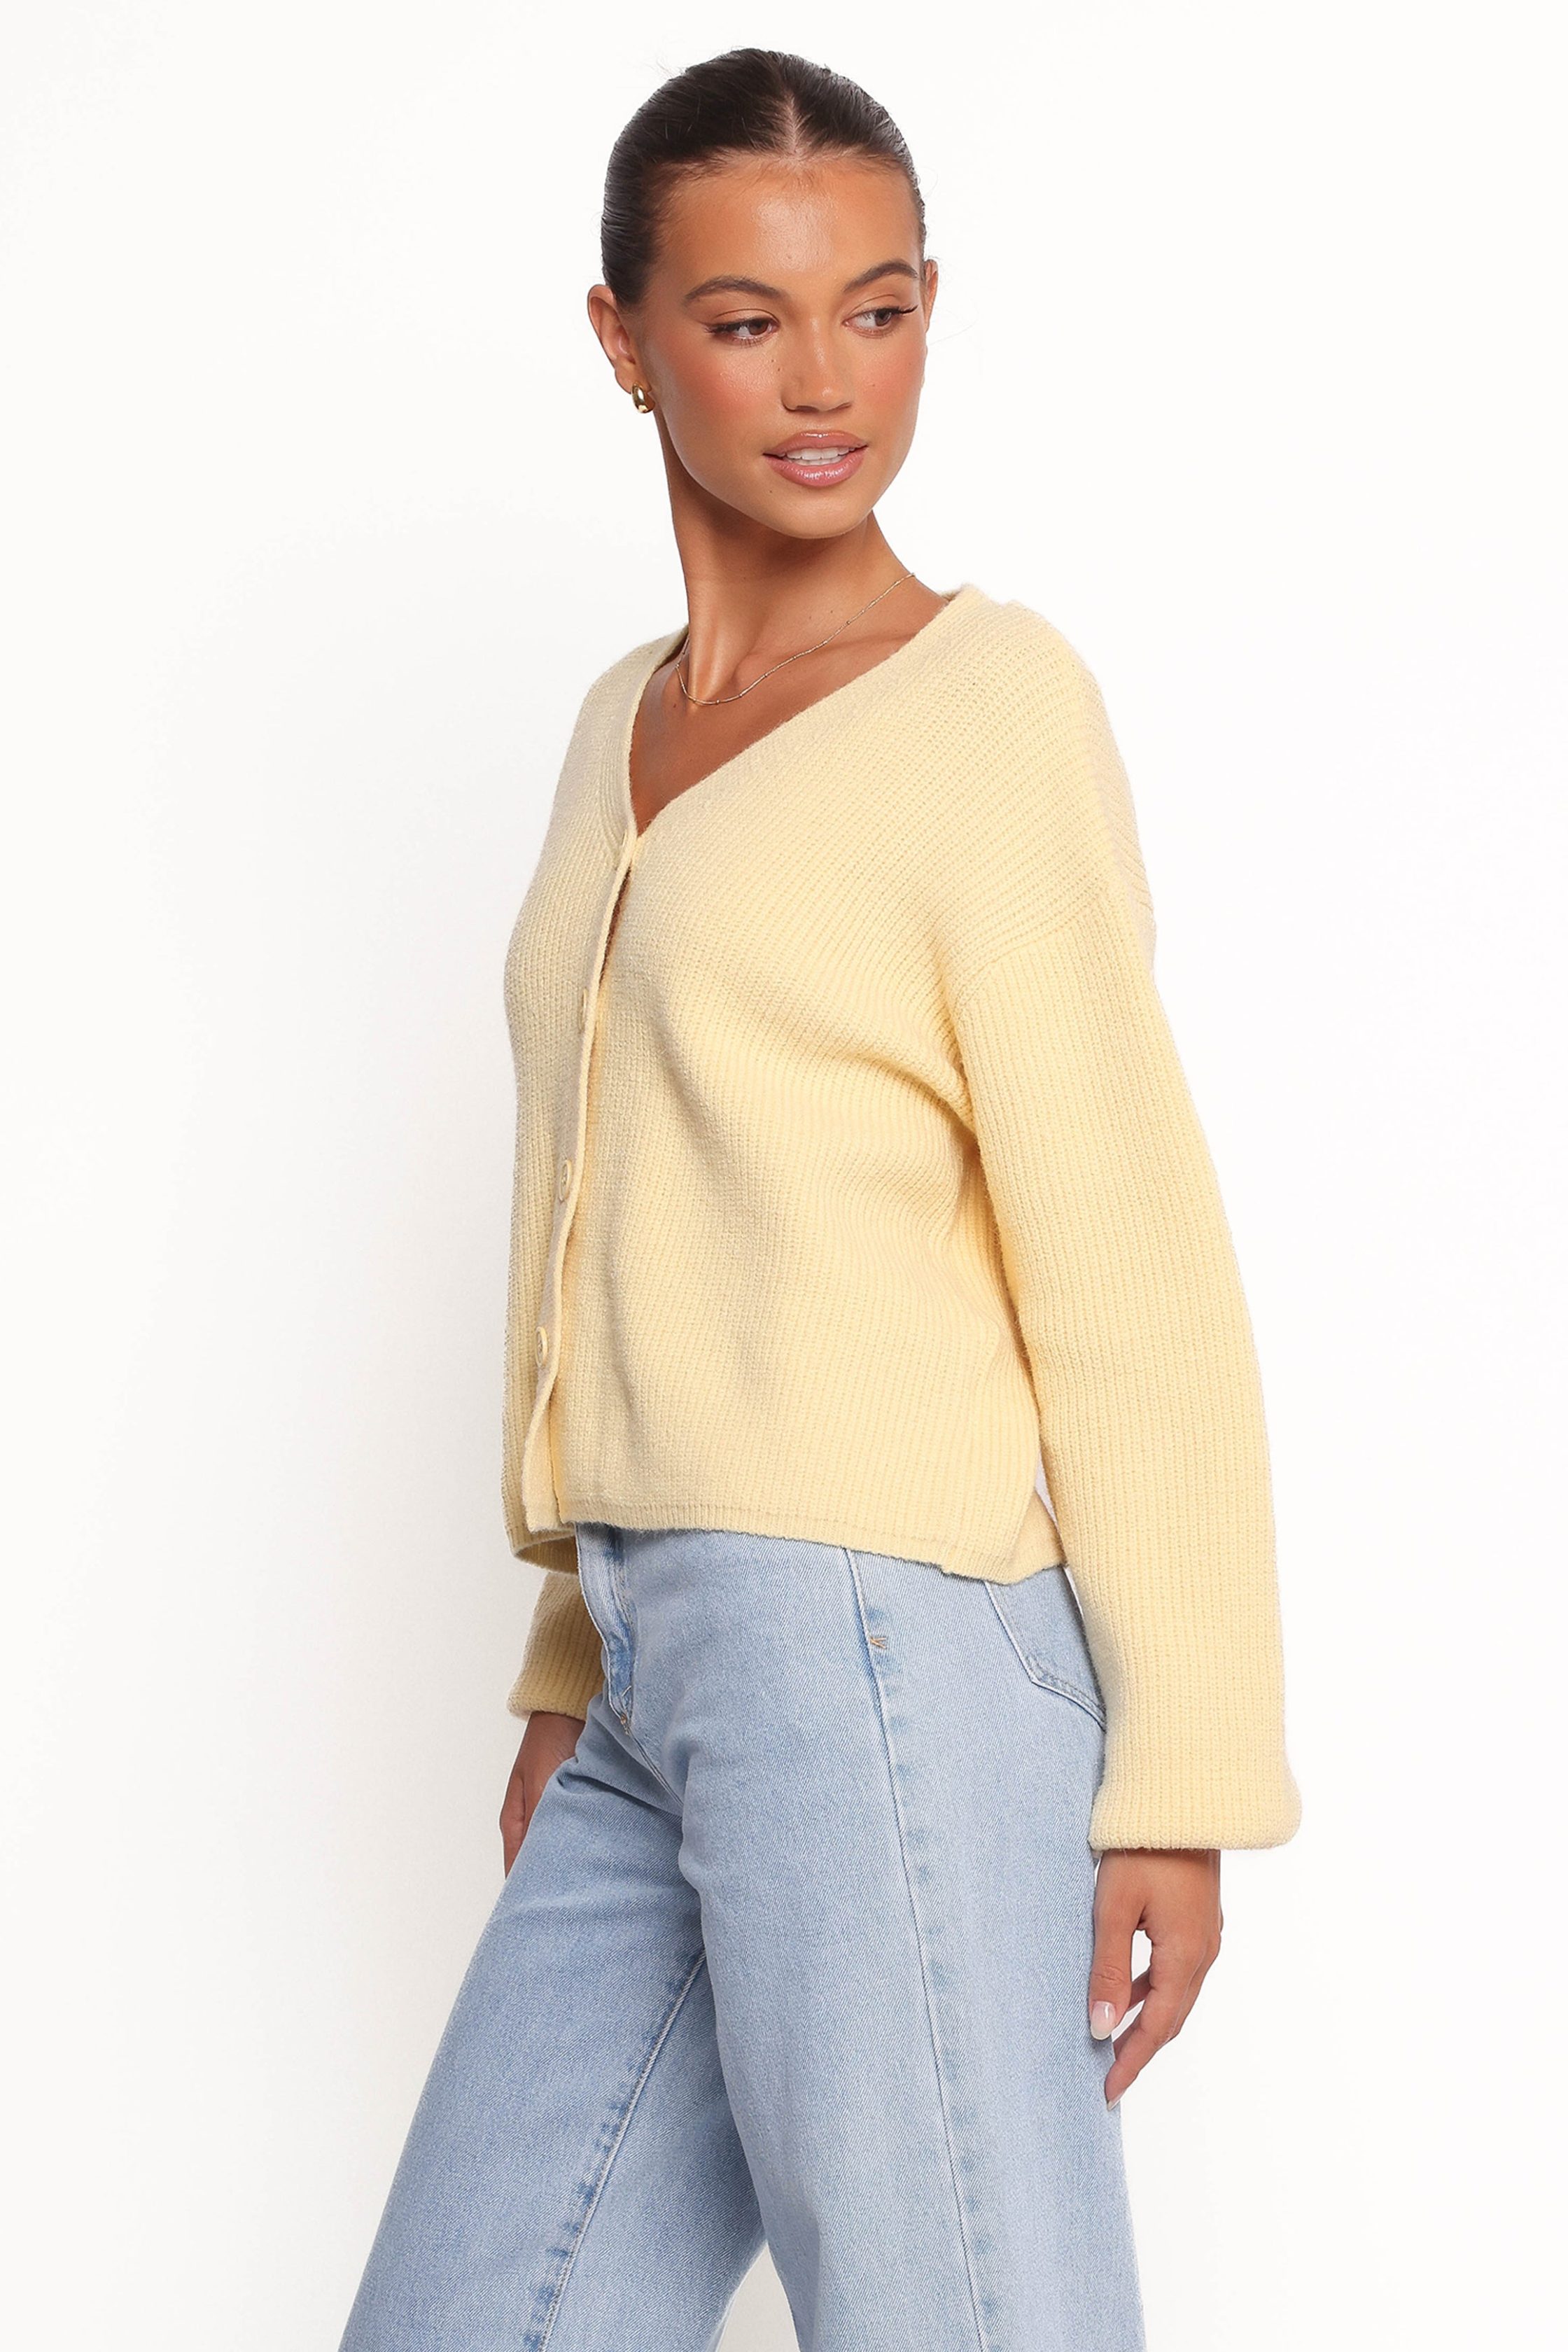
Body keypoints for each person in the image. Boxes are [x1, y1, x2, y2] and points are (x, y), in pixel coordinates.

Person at [339, 47, 1301, 2352]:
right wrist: (579, 1652)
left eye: (876, 310)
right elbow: (618, 1208)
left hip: (886, 1649)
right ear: (622, 338)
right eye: (748, 319)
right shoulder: (621, 723)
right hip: (662, 1663)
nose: (826, 384)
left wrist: (1182, 1772)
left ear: (929, 310)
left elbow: (1131, 1260)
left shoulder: (987, 707)